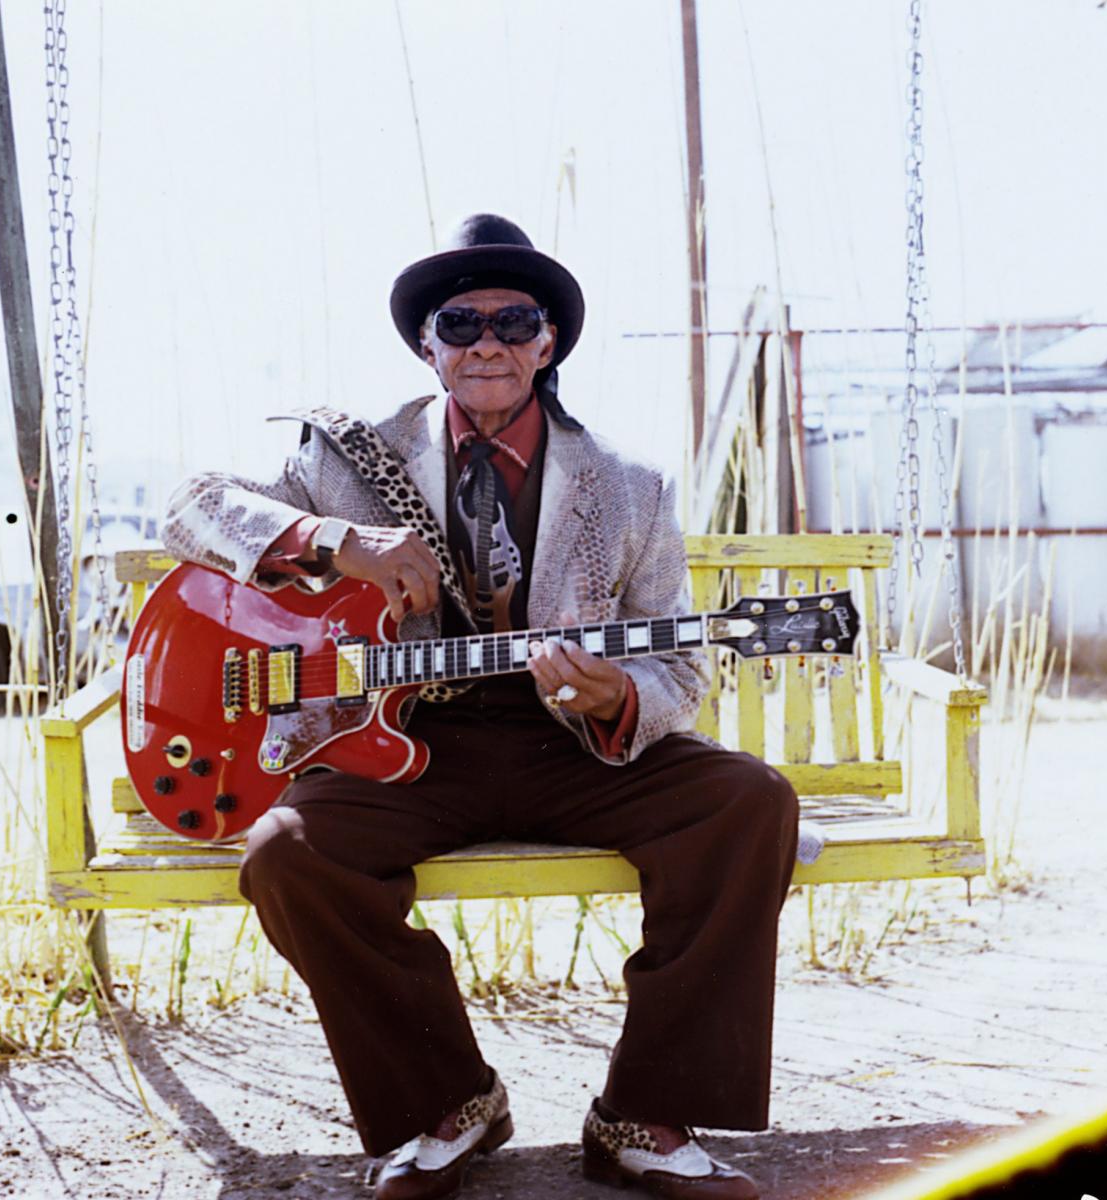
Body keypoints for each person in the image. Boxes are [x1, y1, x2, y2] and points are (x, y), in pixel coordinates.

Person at [162, 214, 798, 1200]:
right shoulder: (349, 458)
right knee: (287, 856)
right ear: (428, 345)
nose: (488, 344)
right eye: (461, 324)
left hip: (576, 744)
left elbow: (679, 666)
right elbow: (191, 505)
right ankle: (445, 1105)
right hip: (407, 741)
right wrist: (339, 542)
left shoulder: (630, 488)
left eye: (514, 322)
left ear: (548, 344)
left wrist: (617, 691)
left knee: (748, 803)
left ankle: (645, 1114)